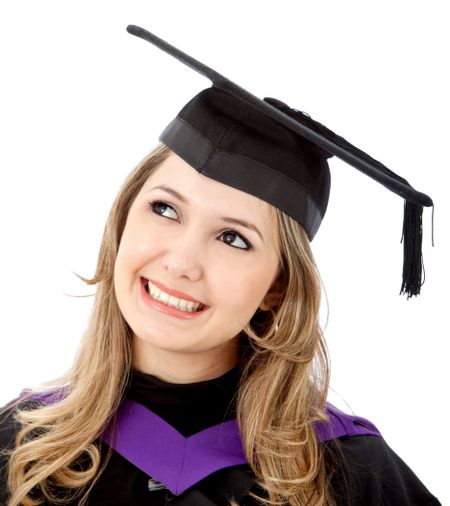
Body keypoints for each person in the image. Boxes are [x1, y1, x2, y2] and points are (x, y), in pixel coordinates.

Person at [0, 26, 441, 506]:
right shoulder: (21, 451)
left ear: (278, 285)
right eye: (165, 209)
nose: (181, 262)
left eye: (233, 238)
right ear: (124, 220)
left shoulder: (354, 475)